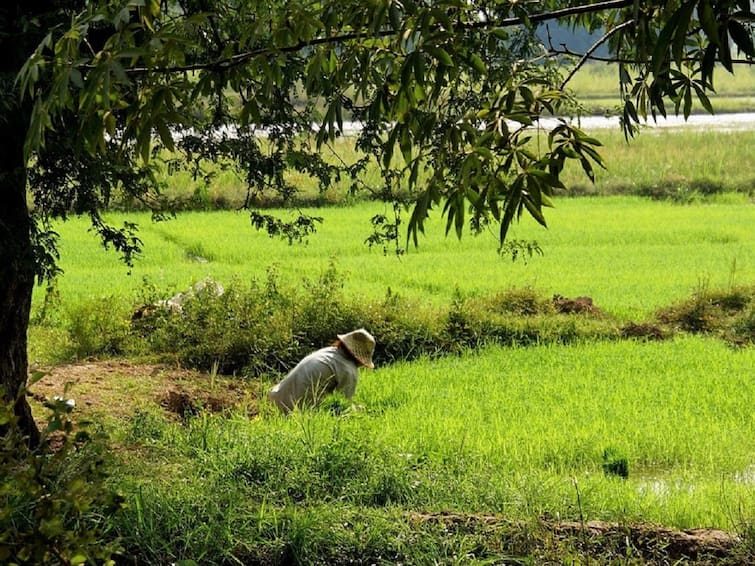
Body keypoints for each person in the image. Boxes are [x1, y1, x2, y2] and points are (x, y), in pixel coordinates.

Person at [269, 328, 376, 413]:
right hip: (295, 412)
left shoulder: (328, 352)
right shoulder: (348, 370)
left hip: (275, 400)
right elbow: (343, 405)